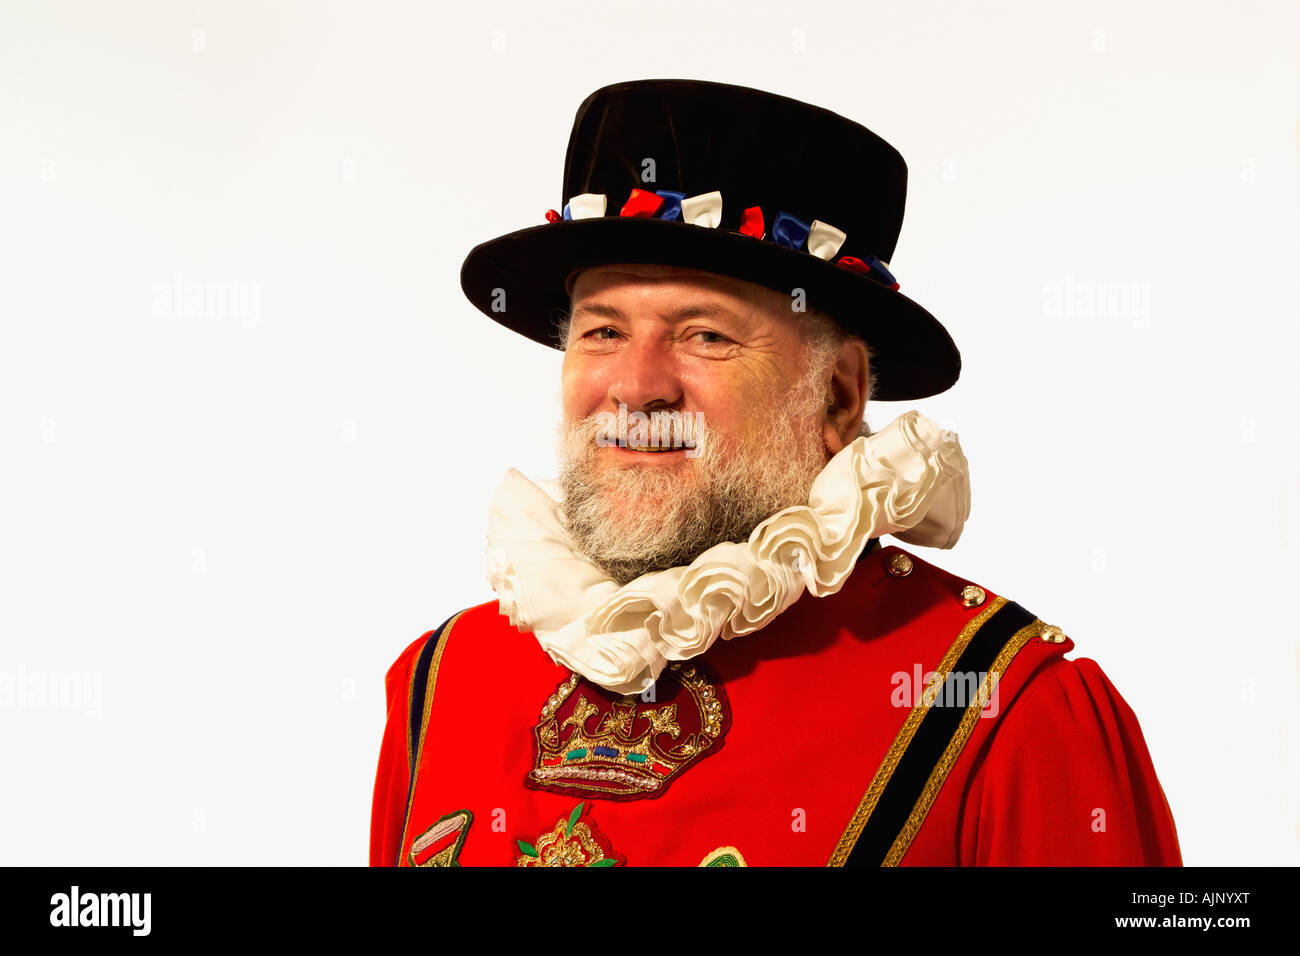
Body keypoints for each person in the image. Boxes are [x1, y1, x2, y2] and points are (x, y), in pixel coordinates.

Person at [368, 78, 1182, 867]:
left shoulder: (1000, 707)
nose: (636, 387)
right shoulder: (441, 685)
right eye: (603, 332)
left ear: (836, 396)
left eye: (706, 336)